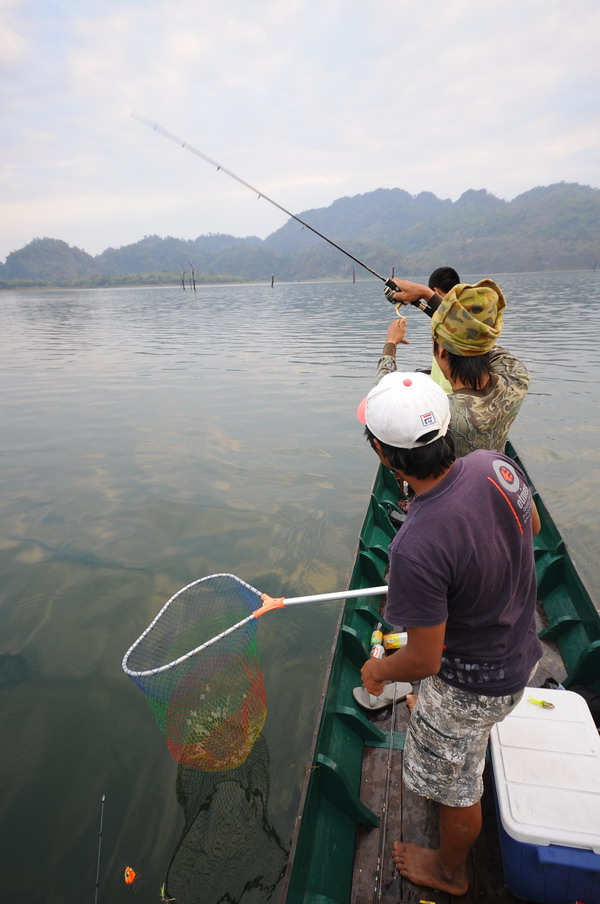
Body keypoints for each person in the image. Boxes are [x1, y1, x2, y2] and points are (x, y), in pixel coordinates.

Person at [358, 371, 542, 897]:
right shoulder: (496, 465)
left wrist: (377, 670)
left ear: (385, 454)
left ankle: (449, 872)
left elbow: (423, 660)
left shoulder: (416, 545)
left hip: (473, 685)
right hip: (520, 652)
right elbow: (529, 531)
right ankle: (444, 720)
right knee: (451, 724)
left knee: (457, 789)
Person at [379, 277, 530, 458]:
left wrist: (391, 343)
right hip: (493, 476)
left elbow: (386, 394)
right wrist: (428, 295)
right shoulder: (517, 378)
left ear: (442, 351)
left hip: (453, 485)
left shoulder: (440, 413)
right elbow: (477, 335)